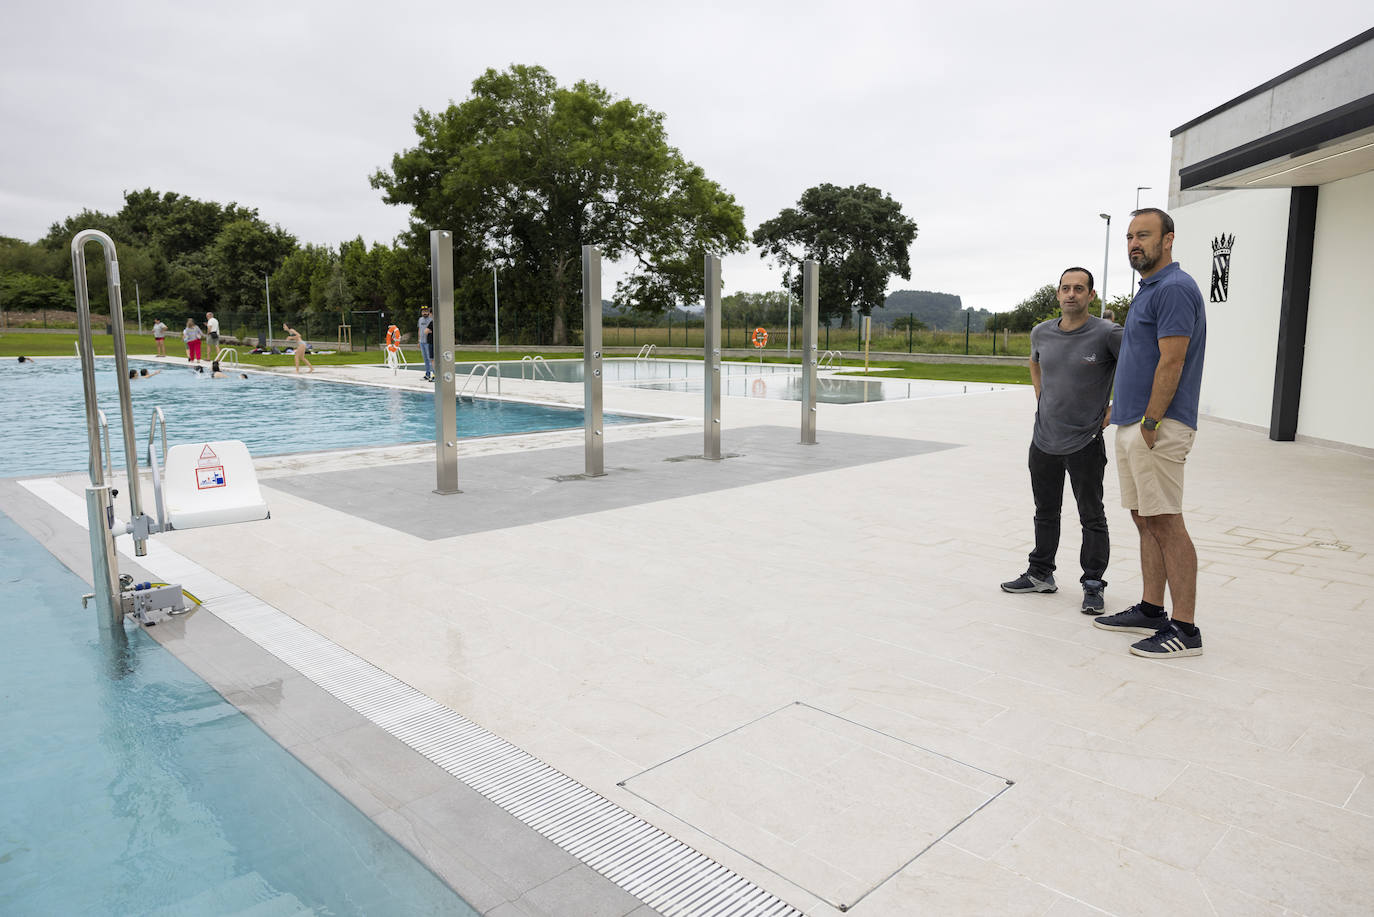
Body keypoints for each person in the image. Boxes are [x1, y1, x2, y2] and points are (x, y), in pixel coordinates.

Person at [1093, 208, 1208, 658]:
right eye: (1129, 237)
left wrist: (1151, 421)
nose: (1133, 244)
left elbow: (1172, 360)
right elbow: (1139, 359)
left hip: (1157, 426)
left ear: (1169, 239)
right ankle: (1150, 608)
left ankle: (1185, 629)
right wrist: (1120, 411)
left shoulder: (1176, 288)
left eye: (1143, 235)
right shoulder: (1148, 290)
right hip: (1132, 422)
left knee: (1166, 521)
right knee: (1145, 519)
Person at [1001, 267, 1121, 612]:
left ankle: (1093, 583)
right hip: (1043, 440)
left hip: (1084, 440)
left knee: (1092, 516)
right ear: (1058, 294)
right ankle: (1040, 573)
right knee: (1045, 511)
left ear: (1091, 296)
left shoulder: (1108, 333)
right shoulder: (1041, 333)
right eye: (1066, 288)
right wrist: (1040, 396)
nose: (1071, 294)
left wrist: (1119, 408)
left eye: (1079, 289)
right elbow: (1034, 363)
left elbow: (1138, 365)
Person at [418, 306, 434, 381]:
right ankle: (427, 374)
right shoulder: (420, 320)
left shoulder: (431, 319)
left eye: (426, 311)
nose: (425, 313)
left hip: (428, 342)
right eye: (423, 311)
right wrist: (419, 340)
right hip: (422, 342)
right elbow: (419, 329)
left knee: (430, 358)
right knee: (425, 359)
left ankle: (434, 373)